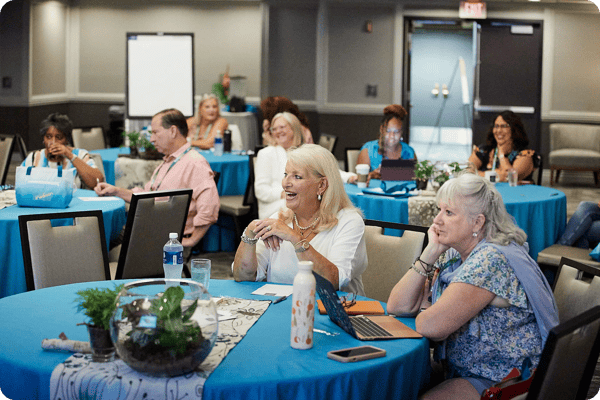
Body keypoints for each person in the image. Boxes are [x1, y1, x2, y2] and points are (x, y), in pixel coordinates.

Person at [387, 173, 558, 399]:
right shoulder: (455, 252)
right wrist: (430, 252)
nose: (436, 220)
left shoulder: (490, 259)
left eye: (448, 213)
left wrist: (427, 308)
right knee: (392, 383)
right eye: (439, 210)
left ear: (477, 222)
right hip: (465, 367)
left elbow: (430, 326)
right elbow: (397, 306)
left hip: (503, 379)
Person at [233, 144, 367, 295]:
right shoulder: (279, 218)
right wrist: (250, 234)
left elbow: (333, 281)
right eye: (285, 174)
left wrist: (295, 238)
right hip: (283, 311)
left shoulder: (349, 222)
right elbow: (243, 276)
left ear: (322, 185)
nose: (285, 183)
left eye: (297, 176)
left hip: (333, 313)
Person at [95, 108, 219, 255]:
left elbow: (210, 206)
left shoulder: (194, 163)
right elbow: (147, 196)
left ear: (173, 131)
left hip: (162, 238)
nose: (152, 139)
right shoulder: (169, 160)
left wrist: (191, 241)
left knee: (98, 244)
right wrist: (115, 190)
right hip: (148, 228)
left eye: (155, 132)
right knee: (97, 237)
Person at [23, 113, 104, 189]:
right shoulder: (34, 157)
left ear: (67, 140)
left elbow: (97, 182)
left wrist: (70, 156)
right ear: (43, 139)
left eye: (59, 137)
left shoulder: (79, 155)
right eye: (48, 137)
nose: (53, 142)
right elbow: (20, 185)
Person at [255, 112, 304, 219]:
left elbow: (326, 170)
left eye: (282, 127)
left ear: (294, 128)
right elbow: (260, 190)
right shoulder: (266, 153)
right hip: (275, 206)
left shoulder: (303, 151)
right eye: (274, 129)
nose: (278, 131)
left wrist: (349, 177)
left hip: (299, 202)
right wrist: (283, 193)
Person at [351, 104, 416, 183]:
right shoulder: (368, 150)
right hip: (373, 194)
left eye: (396, 132)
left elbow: (415, 179)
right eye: (388, 131)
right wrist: (372, 175)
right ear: (382, 130)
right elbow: (359, 181)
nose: (392, 136)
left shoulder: (409, 152)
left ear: (401, 132)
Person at [468, 110, 538, 182]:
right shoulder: (484, 150)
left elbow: (510, 178)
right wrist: (491, 175)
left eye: (503, 126)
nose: (498, 131)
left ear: (514, 129)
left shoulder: (525, 154)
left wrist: (502, 155)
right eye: (496, 126)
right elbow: (466, 171)